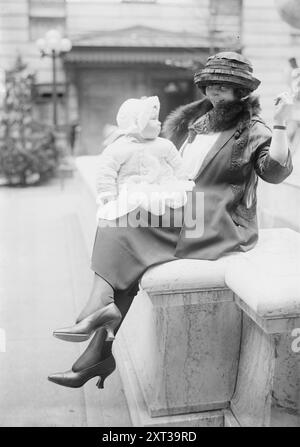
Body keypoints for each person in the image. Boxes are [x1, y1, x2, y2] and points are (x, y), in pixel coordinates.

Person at [48, 52, 293, 389]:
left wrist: (282, 122)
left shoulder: (253, 129)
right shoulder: (196, 123)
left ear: (241, 92)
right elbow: (166, 165)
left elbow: (275, 172)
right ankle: (96, 348)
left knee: (121, 221)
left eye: (224, 87)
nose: (215, 93)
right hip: (184, 205)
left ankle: (96, 315)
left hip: (217, 218)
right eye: (211, 86)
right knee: (119, 219)